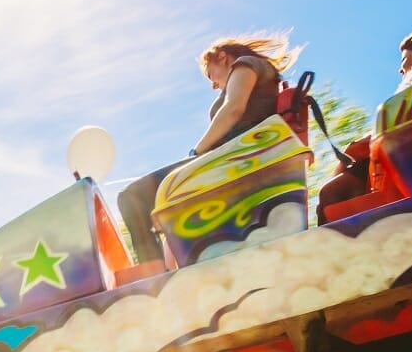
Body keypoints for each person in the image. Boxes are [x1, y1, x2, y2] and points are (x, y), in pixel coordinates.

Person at [119, 35, 299, 265]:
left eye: (210, 74)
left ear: (222, 57)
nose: (213, 85)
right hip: (233, 158)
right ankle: (165, 270)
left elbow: (233, 109)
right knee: (159, 208)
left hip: (232, 158)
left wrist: (196, 154)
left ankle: (152, 277)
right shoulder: (257, 74)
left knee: (132, 197)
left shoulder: (245, 64)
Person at [318, 31, 412, 215]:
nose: (400, 69)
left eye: (404, 60)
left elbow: (396, 125)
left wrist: (353, 151)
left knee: (330, 192)